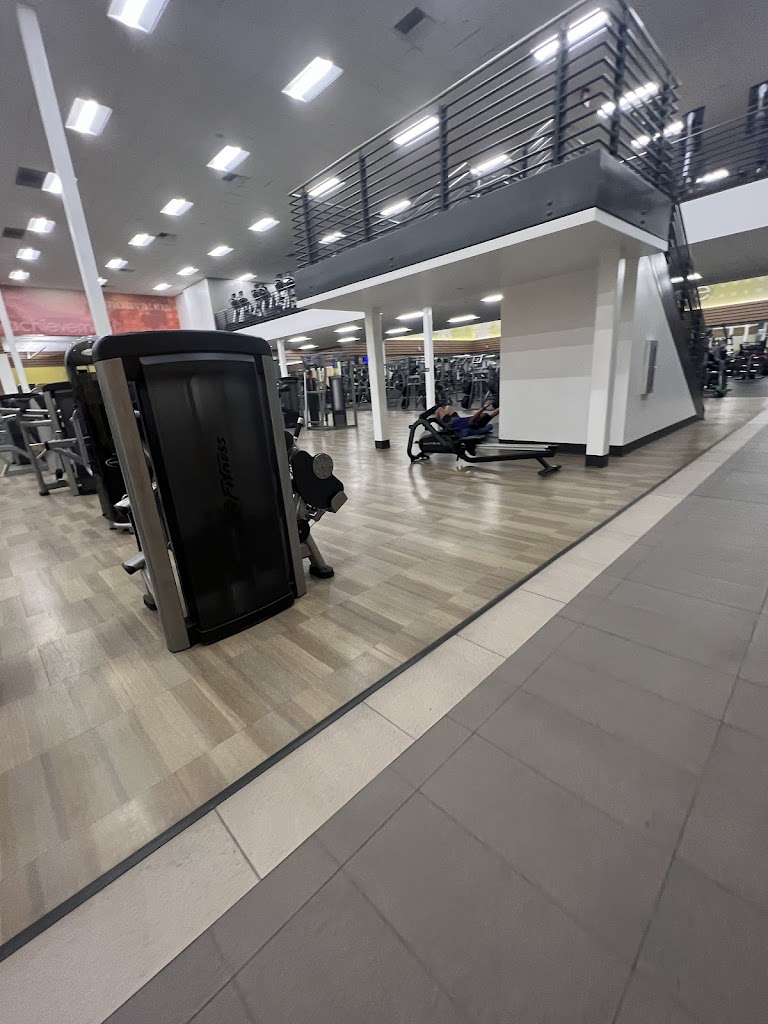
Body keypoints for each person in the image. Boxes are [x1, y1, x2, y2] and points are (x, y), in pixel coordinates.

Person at [435, 403, 499, 438]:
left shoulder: (472, 422)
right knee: (448, 407)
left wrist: (483, 408)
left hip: (451, 423)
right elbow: (494, 413)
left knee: (439, 409)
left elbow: (476, 415)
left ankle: (438, 425)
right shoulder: (484, 421)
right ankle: (442, 423)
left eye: (481, 415)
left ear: (478, 418)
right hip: (457, 419)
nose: (480, 414)